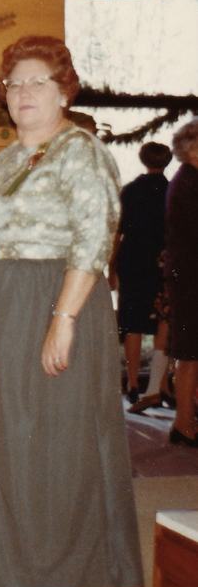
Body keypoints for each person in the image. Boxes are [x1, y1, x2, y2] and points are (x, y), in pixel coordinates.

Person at [0, 36, 143, 587]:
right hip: (6, 305)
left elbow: (94, 242)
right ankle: (23, 566)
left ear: (63, 90)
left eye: (36, 82)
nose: (22, 93)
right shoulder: (7, 158)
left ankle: (56, 578)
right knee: (13, 442)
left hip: (58, 300)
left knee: (54, 445)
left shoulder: (82, 152)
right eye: (13, 83)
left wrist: (62, 321)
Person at [109, 142, 172, 406]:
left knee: (133, 323)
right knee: (163, 322)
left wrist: (111, 266)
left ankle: (133, 382)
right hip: (161, 261)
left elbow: (117, 232)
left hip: (132, 260)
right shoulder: (172, 191)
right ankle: (159, 383)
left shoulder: (130, 191)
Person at [164, 119, 198, 446]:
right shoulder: (189, 182)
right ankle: (184, 424)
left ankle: (186, 420)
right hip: (190, 279)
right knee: (189, 354)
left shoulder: (187, 179)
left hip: (187, 275)